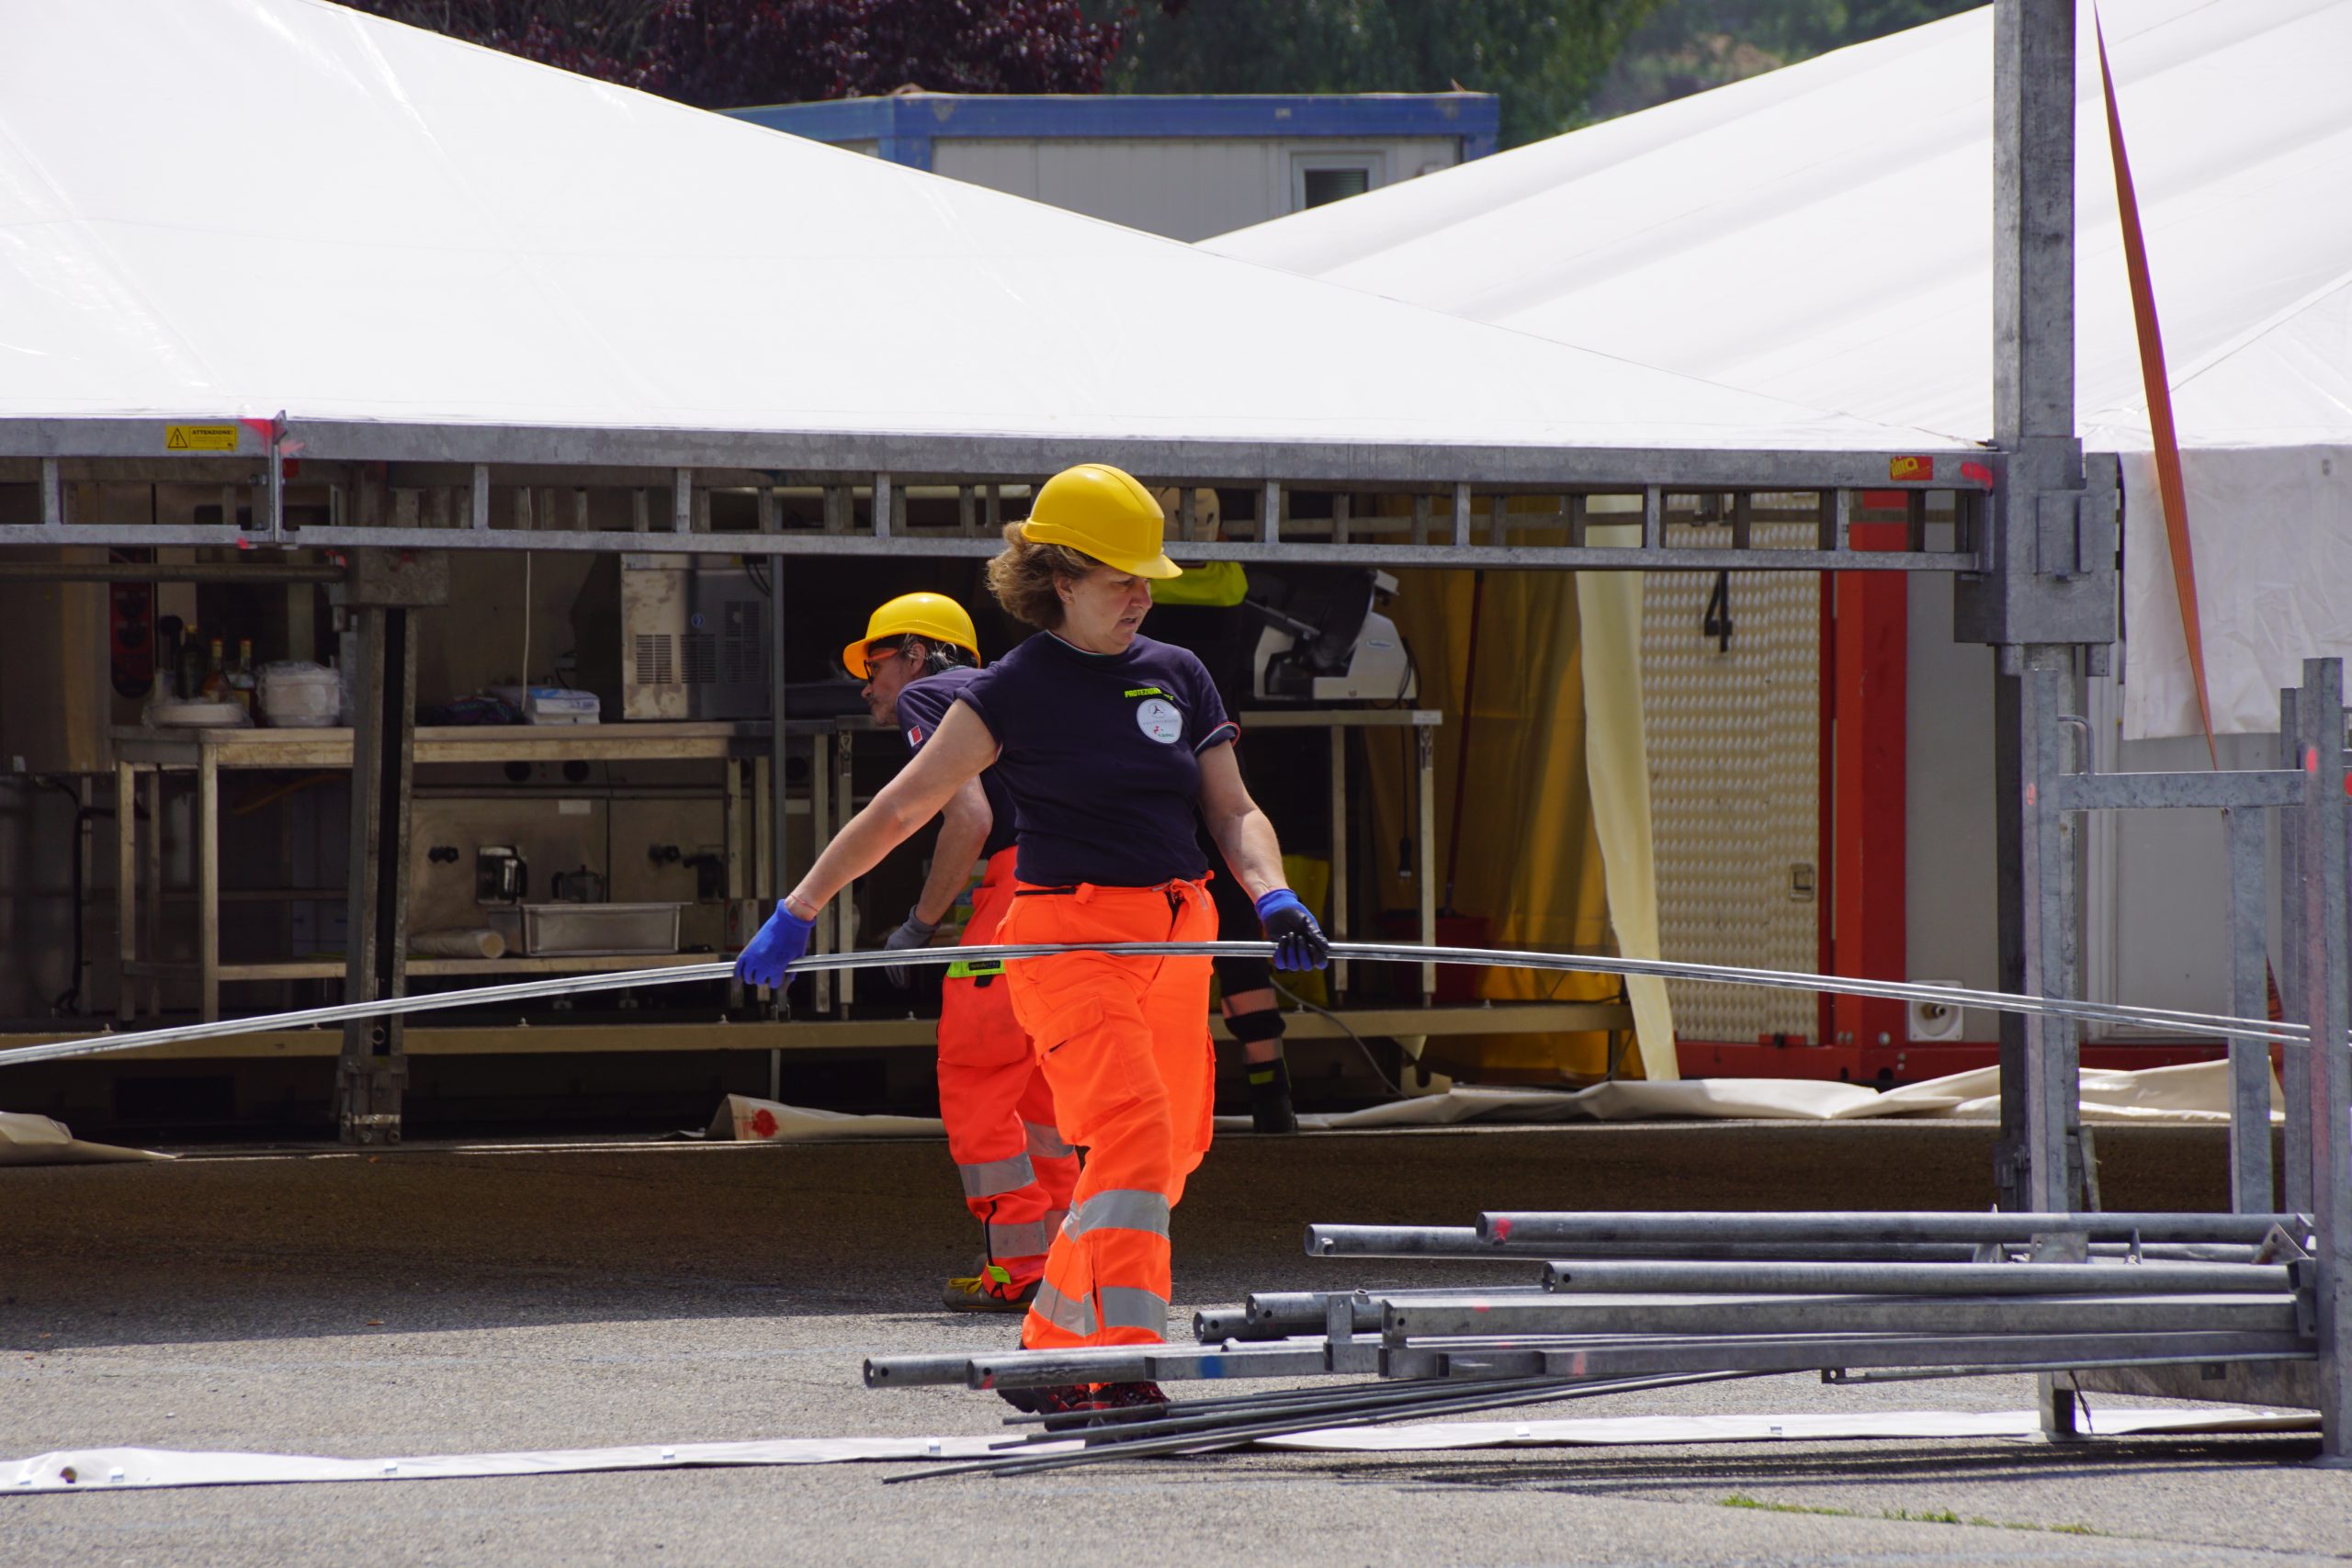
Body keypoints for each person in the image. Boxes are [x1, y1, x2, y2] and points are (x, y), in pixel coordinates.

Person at [737, 462, 1329, 1415]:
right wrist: (799, 909)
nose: (1142, 594)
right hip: (1070, 937)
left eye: (1148, 578)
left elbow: (1233, 809)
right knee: (1130, 1135)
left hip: (1179, 935)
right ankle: (1128, 1359)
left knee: (1171, 1152)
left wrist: (1272, 895)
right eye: (1120, 578)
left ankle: (1050, 1343)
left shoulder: (1180, 672)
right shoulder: (1009, 690)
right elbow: (903, 809)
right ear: (1060, 577)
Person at [840, 591, 1079, 1313]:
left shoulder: (933, 698)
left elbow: (968, 817)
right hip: (1068, 898)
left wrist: (918, 922)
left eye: (875, 662)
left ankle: (1017, 1266)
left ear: (916, 654)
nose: (868, 684)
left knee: (976, 1075)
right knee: (1039, 1090)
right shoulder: (1010, 689)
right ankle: (1068, 1259)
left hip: (1015, 897)